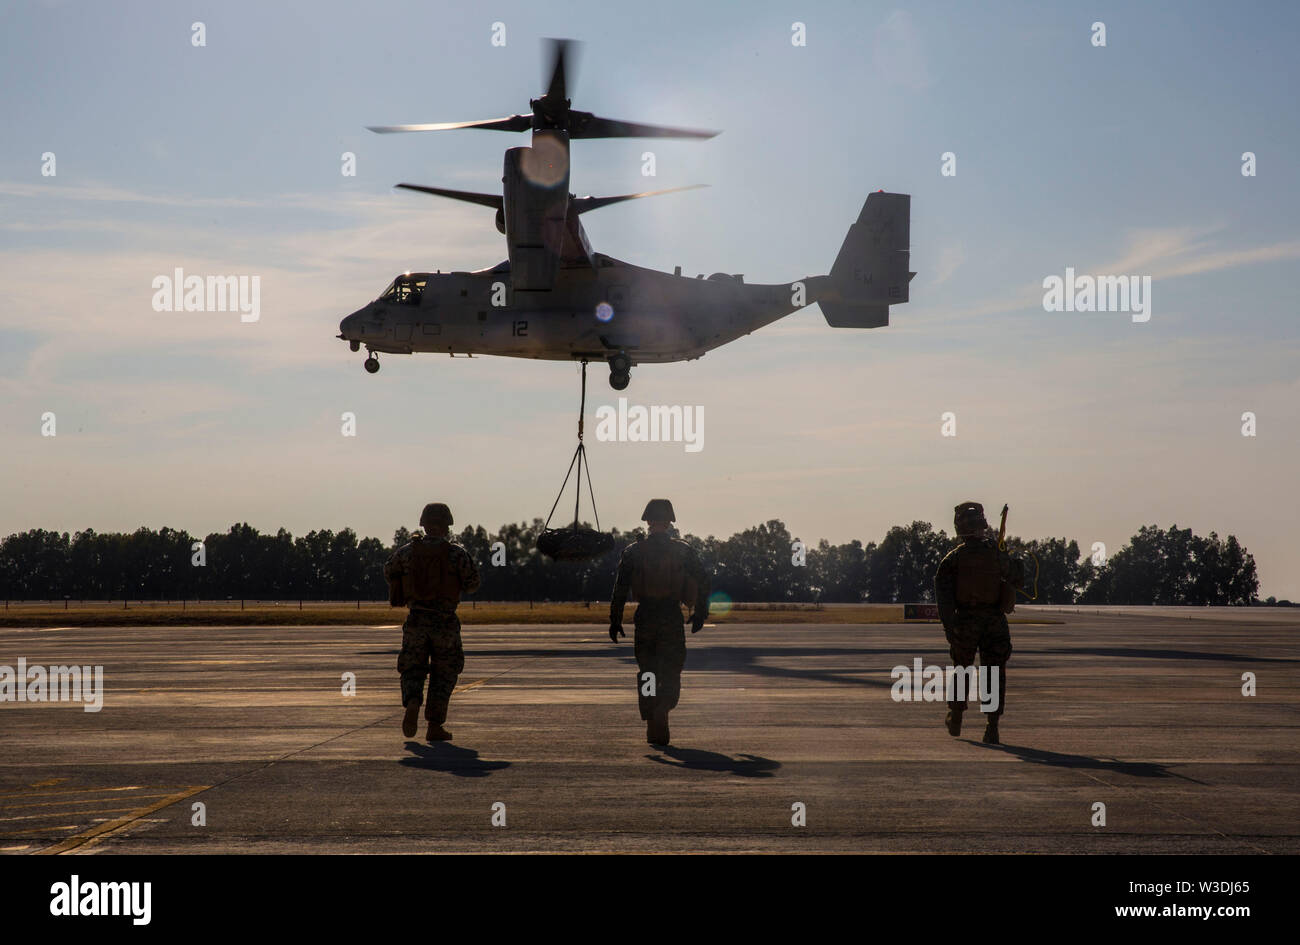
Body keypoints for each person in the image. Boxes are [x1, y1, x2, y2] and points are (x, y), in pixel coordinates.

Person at [609, 499, 711, 746]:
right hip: (671, 616)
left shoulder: (633, 551)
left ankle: (652, 714)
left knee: (647, 671)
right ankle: (664, 706)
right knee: (673, 669)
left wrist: (615, 619)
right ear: (669, 522)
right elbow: (703, 581)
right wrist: (700, 613)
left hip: (645, 617)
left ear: (647, 521)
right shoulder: (683, 550)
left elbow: (620, 588)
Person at [384, 502, 481, 741]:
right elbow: (472, 583)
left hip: (416, 620)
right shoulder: (457, 553)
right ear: (447, 526)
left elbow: (389, 571)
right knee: (444, 672)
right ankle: (434, 725)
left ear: (424, 524)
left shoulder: (407, 551)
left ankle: (413, 701)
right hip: (444, 622)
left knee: (412, 667)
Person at [934, 501, 1022, 745]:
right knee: (993, 674)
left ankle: (957, 716)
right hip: (994, 622)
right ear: (982, 525)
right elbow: (1018, 577)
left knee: (961, 670)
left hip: (965, 621)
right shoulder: (996, 554)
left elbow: (943, 597)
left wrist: (950, 628)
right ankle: (991, 727)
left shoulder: (952, 560)